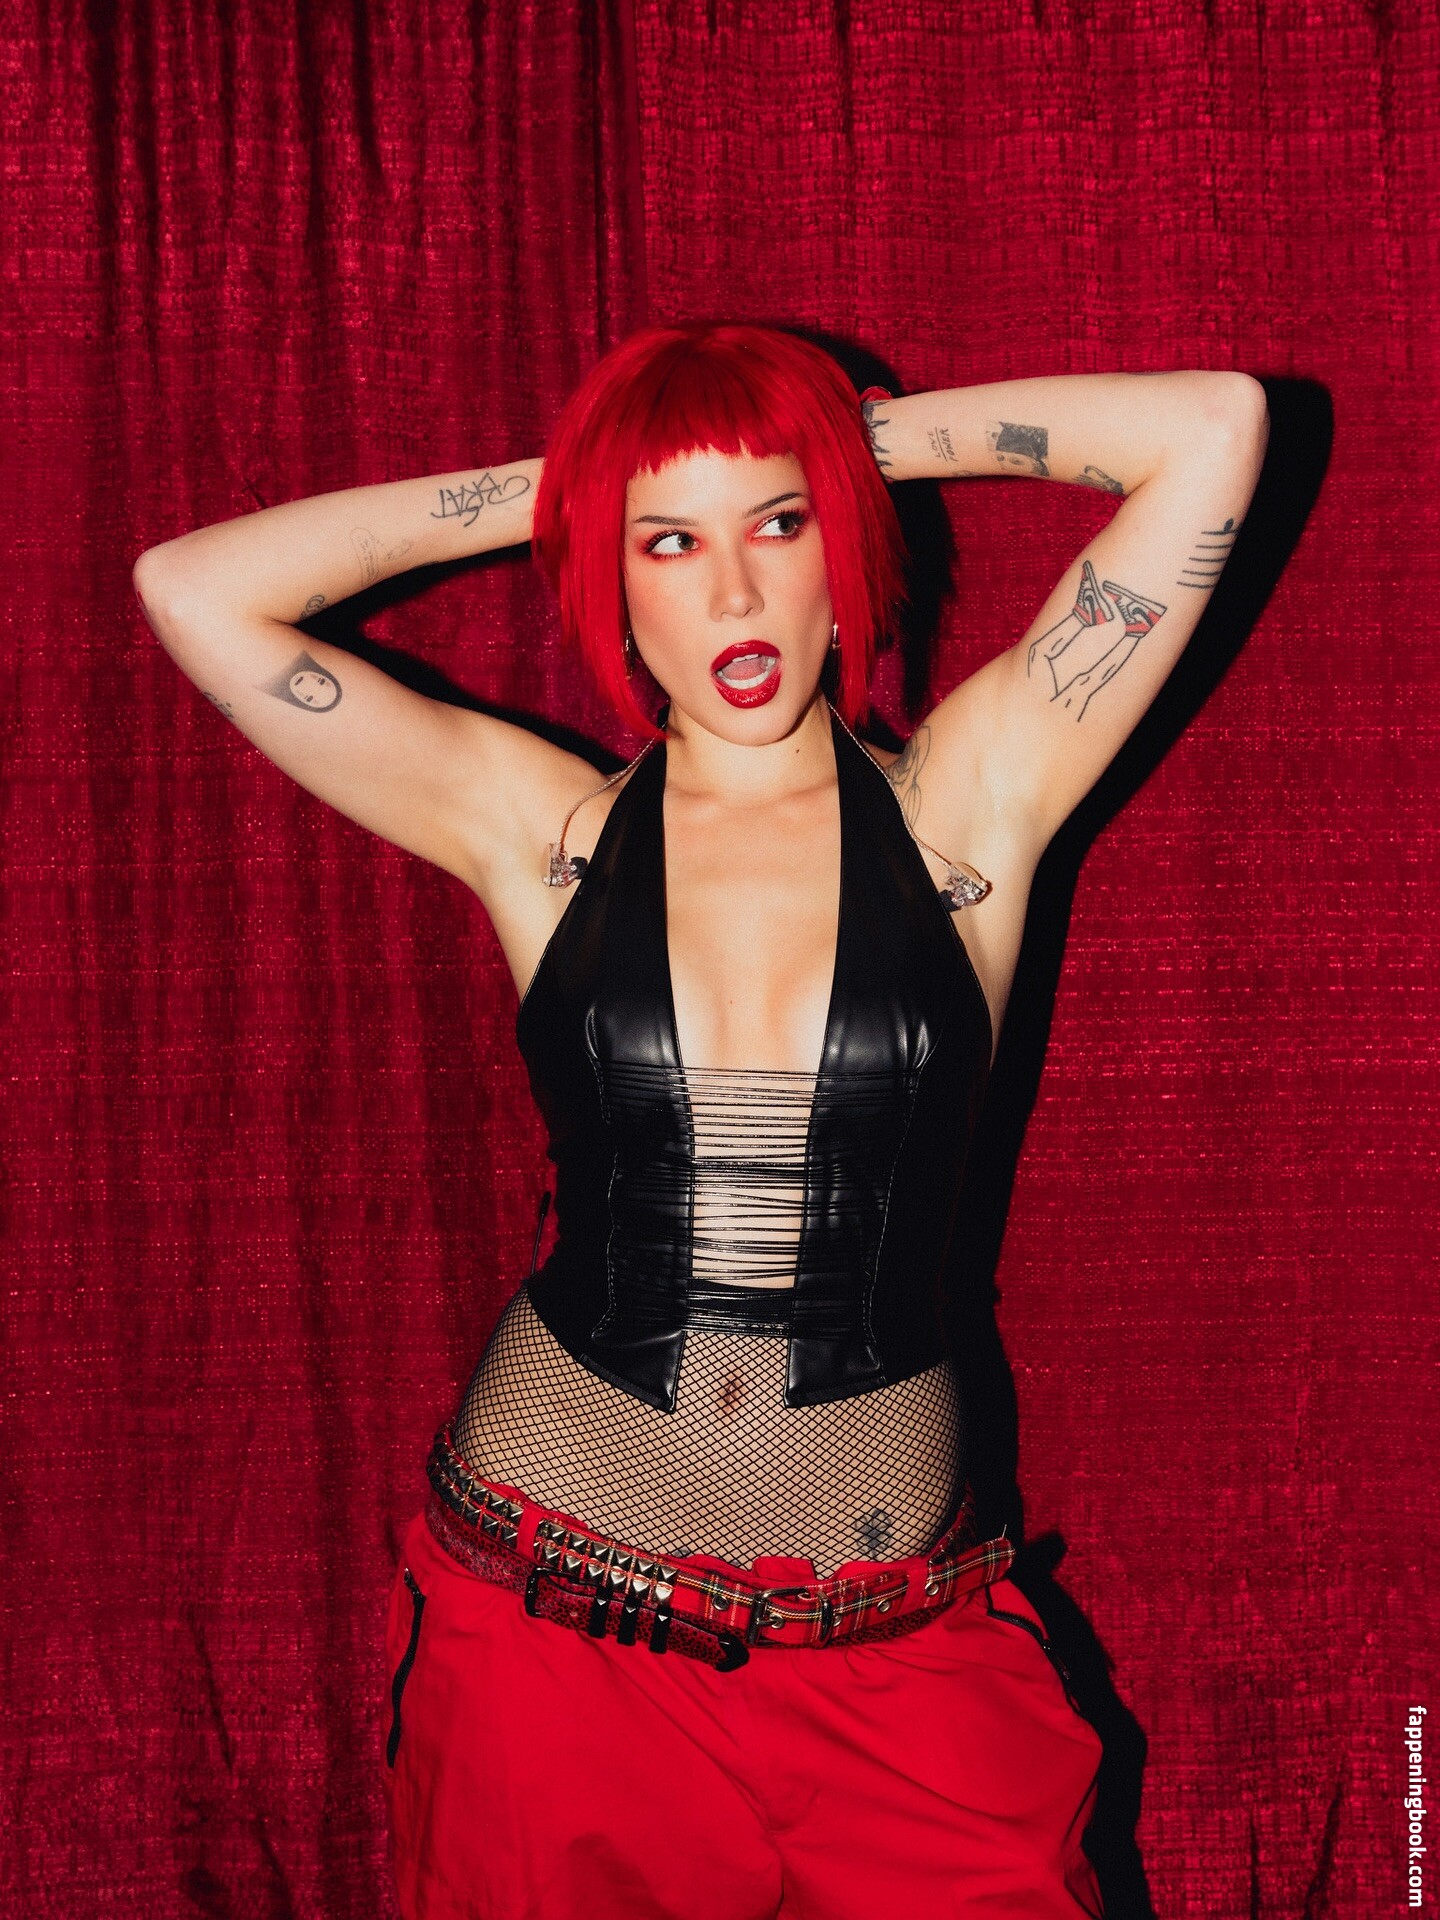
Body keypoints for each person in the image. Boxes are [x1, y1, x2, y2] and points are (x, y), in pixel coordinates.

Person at [133, 322, 1269, 1919]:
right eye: (667, 544)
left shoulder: (970, 804)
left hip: (896, 1668)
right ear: (611, 582)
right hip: (553, 1646)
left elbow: (1212, 428)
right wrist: (582, 483)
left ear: (840, 549)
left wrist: (836, 446)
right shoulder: (540, 830)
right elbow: (193, 587)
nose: (733, 592)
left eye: (778, 527)